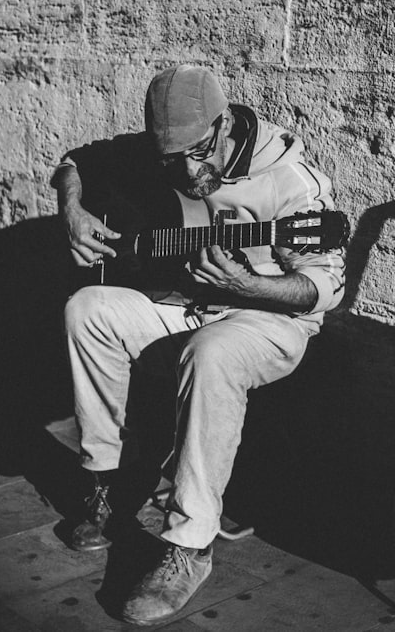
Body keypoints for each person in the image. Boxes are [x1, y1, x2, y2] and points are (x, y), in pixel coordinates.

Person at [51, 65, 346, 625]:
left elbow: (323, 287)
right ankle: (106, 484)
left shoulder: (290, 180)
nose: (188, 171)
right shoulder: (164, 152)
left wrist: (249, 286)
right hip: (187, 300)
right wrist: (72, 210)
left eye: (199, 152)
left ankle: (189, 545)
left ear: (226, 122)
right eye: (170, 161)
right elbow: (77, 162)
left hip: (268, 315)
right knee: (87, 309)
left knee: (211, 352)